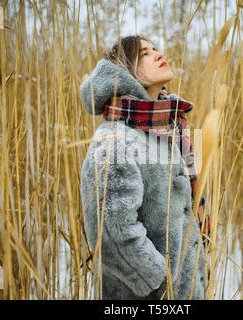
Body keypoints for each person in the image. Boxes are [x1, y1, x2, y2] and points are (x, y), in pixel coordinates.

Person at [79, 35, 208, 300]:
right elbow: (111, 232)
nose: (159, 54)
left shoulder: (164, 130)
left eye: (156, 48)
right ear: (124, 71)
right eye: (145, 54)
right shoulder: (115, 139)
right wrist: (161, 283)